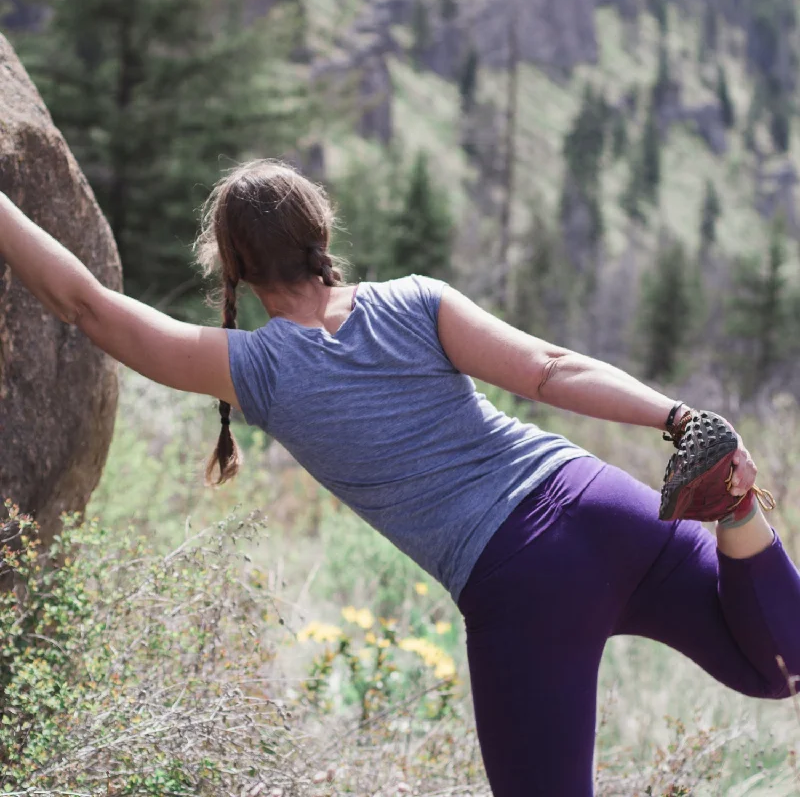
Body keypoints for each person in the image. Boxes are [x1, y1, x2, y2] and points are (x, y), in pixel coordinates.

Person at [1, 159, 798, 796]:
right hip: (598, 500)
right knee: (775, 666)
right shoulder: (417, 300)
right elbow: (549, 371)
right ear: (321, 228)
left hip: (518, 580)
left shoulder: (256, 368)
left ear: (233, 263)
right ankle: (734, 514)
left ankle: (728, 511)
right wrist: (676, 419)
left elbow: (87, 306)